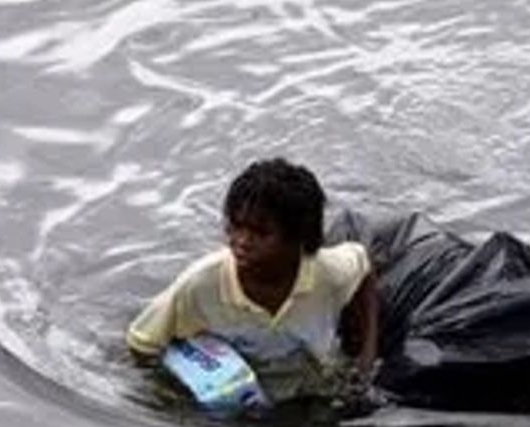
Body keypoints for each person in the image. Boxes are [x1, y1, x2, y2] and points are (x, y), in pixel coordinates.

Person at [127, 158, 379, 401]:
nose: (242, 241)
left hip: (308, 384)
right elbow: (142, 345)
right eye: (236, 226)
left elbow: (363, 266)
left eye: (260, 232)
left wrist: (366, 357)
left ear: (298, 237)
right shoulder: (200, 285)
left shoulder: (327, 271)